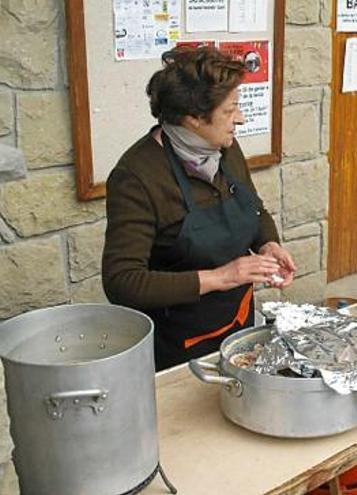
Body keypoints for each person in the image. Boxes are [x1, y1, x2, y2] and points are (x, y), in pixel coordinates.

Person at [102, 46, 297, 371]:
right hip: (178, 346)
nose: (241, 118)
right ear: (193, 117)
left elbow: (254, 210)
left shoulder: (225, 149)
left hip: (239, 326)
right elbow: (123, 281)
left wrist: (268, 244)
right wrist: (221, 277)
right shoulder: (137, 177)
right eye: (231, 109)